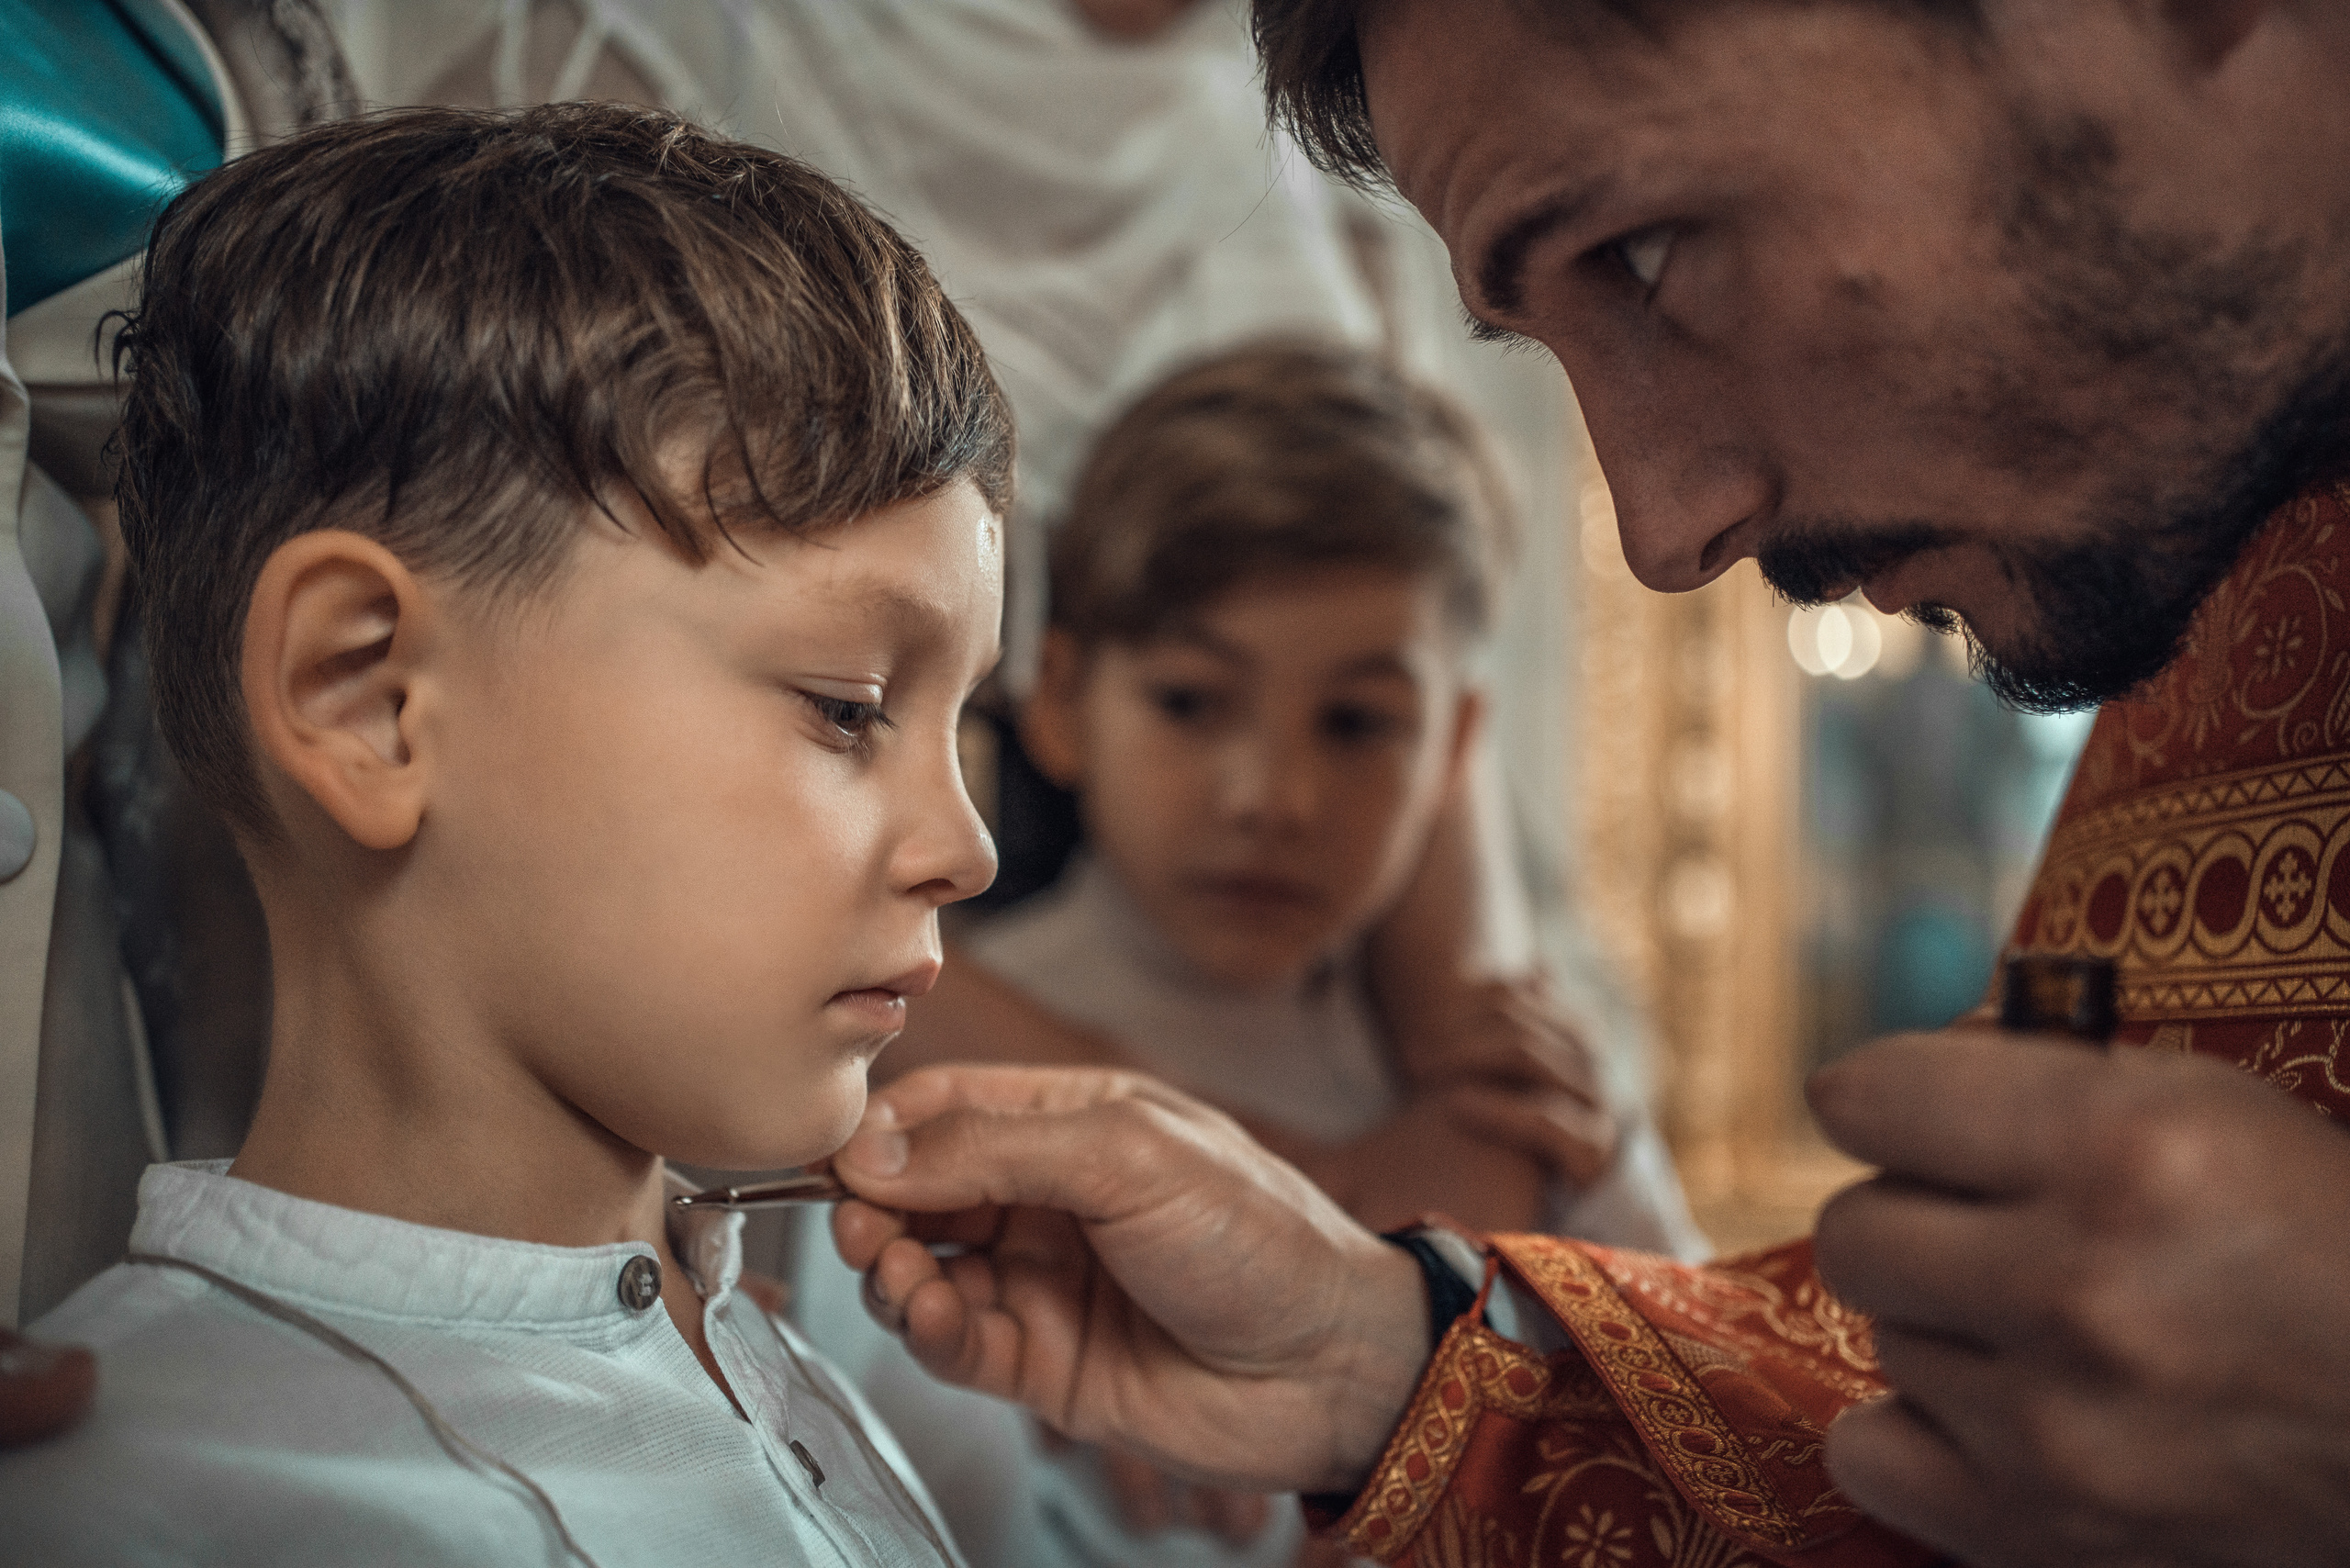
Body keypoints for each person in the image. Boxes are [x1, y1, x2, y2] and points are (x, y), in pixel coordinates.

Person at [820, 4, 2350, 1567]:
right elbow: (2014, 1417)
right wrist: (1376, 1348)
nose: (1662, 530)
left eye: (1655, 260)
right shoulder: (2244, 530)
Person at [0, 100, 1013, 1565]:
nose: (965, 848)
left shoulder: (827, 1389)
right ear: (371, 700)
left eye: (957, 726)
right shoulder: (142, 1516)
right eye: (849, 707)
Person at [805, 340, 1698, 1568]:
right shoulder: (935, 1082)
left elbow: (1693, 1435)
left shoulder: (1515, 1084)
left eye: (1356, 723)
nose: (1271, 796)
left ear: (1452, 751)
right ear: (1059, 700)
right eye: (1189, 700)